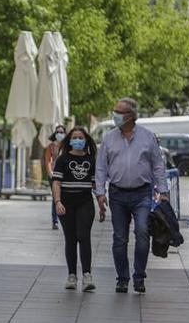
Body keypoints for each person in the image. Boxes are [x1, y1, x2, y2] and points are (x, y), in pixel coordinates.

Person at [95, 98, 168, 294]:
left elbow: (158, 165)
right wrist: (100, 193)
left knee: (143, 233)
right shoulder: (109, 138)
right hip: (117, 194)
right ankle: (122, 278)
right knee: (120, 238)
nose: (115, 115)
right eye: (115, 111)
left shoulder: (147, 137)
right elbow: (101, 167)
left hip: (142, 193)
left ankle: (139, 277)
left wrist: (164, 191)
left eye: (119, 112)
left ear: (130, 116)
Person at [51, 127, 101, 292]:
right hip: (66, 202)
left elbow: (95, 185)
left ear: (86, 140)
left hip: (85, 202)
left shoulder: (91, 159)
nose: (78, 140)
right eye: (75, 137)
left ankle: (87, 276)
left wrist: (101, 203)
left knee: (83, 236)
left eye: (81, 137)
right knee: (70, 239)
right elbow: (56, 182)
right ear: (70, 140)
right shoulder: (62, 159)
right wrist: (57, 202)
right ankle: (72, 275)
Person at [44, 125, 67, 230]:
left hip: (65, 175)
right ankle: (55, 221)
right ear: (55, 133)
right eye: (58, 132)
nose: (60, 134)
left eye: (62, 132)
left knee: (65, 197)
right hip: (54, 175)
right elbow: (48, 161)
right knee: (55, 197)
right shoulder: (51, 147)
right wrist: (50, 173)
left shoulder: (67, 146)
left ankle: (65, 218)